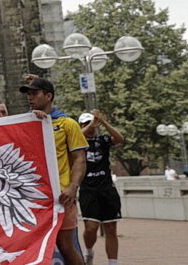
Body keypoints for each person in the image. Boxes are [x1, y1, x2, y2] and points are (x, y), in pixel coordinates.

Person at [22, 76, 87, 265]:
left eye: (35, 93)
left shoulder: (68, 124)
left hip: (61, 197)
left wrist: (73, 188)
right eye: (28, 94)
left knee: (66, 246)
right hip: (32, 197)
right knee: (31, 247)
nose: (30, 98)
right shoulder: (25, 123)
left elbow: (79, 159)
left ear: (48, 96)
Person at [78, 110, 124, 265]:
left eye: (91, 123)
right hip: (88, 189)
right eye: (85, 124)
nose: (90, 127)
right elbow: (74, 135)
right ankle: (89, 251)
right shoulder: (77, 143)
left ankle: (113, 262)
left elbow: (119, 138)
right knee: (91, 228)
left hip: (106, 189)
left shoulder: (102, 140)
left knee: (111, 228)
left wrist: (102, 121)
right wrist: (91, 123)